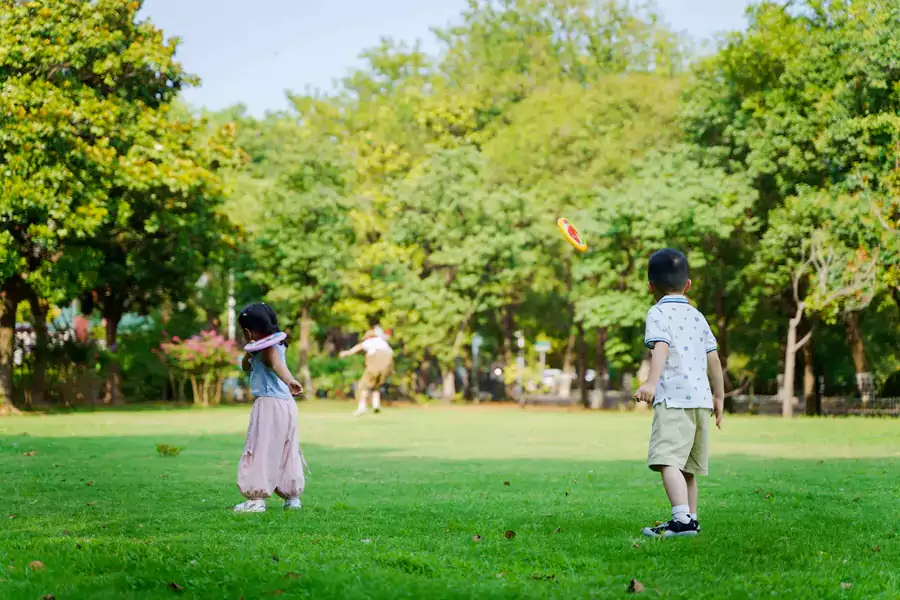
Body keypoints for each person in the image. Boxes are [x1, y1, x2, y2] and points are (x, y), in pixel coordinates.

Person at [634, 249, 725, 538]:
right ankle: (691, 520)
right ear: (688, 285)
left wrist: (650, 382)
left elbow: (660, 346)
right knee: (687, 467)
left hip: (674, 399)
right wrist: (719, 396)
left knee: (667, 461)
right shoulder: (698, 317)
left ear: (650, 287)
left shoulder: (658, 312)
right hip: (700, 401)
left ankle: (681, 521)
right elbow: (714, 359)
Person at [234, 303, 306, 513]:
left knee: (260, 449)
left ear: (247, 331)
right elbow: (246, 366)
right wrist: (249, 352)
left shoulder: (268, 349)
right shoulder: (275, 345)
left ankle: (256, 500)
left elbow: (275, 363)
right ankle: (292, 497)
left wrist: (289, 379)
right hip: (287, 405)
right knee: (287, 450)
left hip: (268, 404)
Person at [340, 329, 394, 416]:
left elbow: (359, 347)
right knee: (376, 386)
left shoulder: (370, 341)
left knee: (363, 386)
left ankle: (362, 407)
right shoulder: (383, 343)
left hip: (374, 367)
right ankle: (376, 405)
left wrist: (347, 352)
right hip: (385, 368)